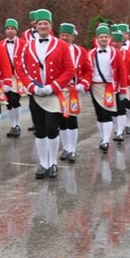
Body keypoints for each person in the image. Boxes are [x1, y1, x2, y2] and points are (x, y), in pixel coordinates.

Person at [14, 9, 74, 178]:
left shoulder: (61, 45)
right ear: (35, 26)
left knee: (51, 129)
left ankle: (53, 163)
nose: (42, 26)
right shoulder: (28, 46)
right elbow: (20, 67)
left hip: (53, 94)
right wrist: (31, 86)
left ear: (50, 26)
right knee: (39, 130)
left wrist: (53, 86)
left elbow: (69, 70)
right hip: (36, 94)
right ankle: (43, 164)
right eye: (39, 23)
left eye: (45, 24)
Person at [88, 25, 129, 154]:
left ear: (109, 38)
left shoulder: (115, 52)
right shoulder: (91, 53)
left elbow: (122, 71)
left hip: (109, 87)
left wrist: (123, 89)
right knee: (99, 114)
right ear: (97, 39)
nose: (104, 39)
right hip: (95, 87)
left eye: (106, 37)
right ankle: (103, 137)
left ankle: (106, 140)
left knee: (107, 113)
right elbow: (87, 70)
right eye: (101, 37)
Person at [57, 22, 92, 162]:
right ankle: (65, 148)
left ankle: (72, 149)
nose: (65, 37)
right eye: (62, 35)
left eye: (68, 35)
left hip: (73, 90)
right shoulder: (54, 49)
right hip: (58, 90)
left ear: (73, 37)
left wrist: (84, 83)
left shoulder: (81, 51)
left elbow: (88, 70)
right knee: (61, 120)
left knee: (72, 119)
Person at [1, 18, 25, 137]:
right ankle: (12, 124)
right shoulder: (0, 44)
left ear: (16, 30)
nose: (10, 31)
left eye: (12, 29)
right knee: (8, 101)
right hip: (6, 76)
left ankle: (17, 124)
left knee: (15, 99)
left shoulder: (23, 43)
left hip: (18, 76)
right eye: (8, 28)